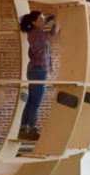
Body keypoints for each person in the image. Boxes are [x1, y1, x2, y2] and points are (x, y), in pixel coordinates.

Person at [18, 11, 59, 140]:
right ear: (34, 22)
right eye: (40, 19)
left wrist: (53, 15)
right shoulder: (38, 33)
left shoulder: (34, 30)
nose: (43, 21)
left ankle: (23, 129)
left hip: (35, 70)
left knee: (31, 101)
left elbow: (45, 21)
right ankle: (32, 129)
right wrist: (59, 20)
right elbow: (53, 33)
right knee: (35, 102)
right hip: (38, 71)